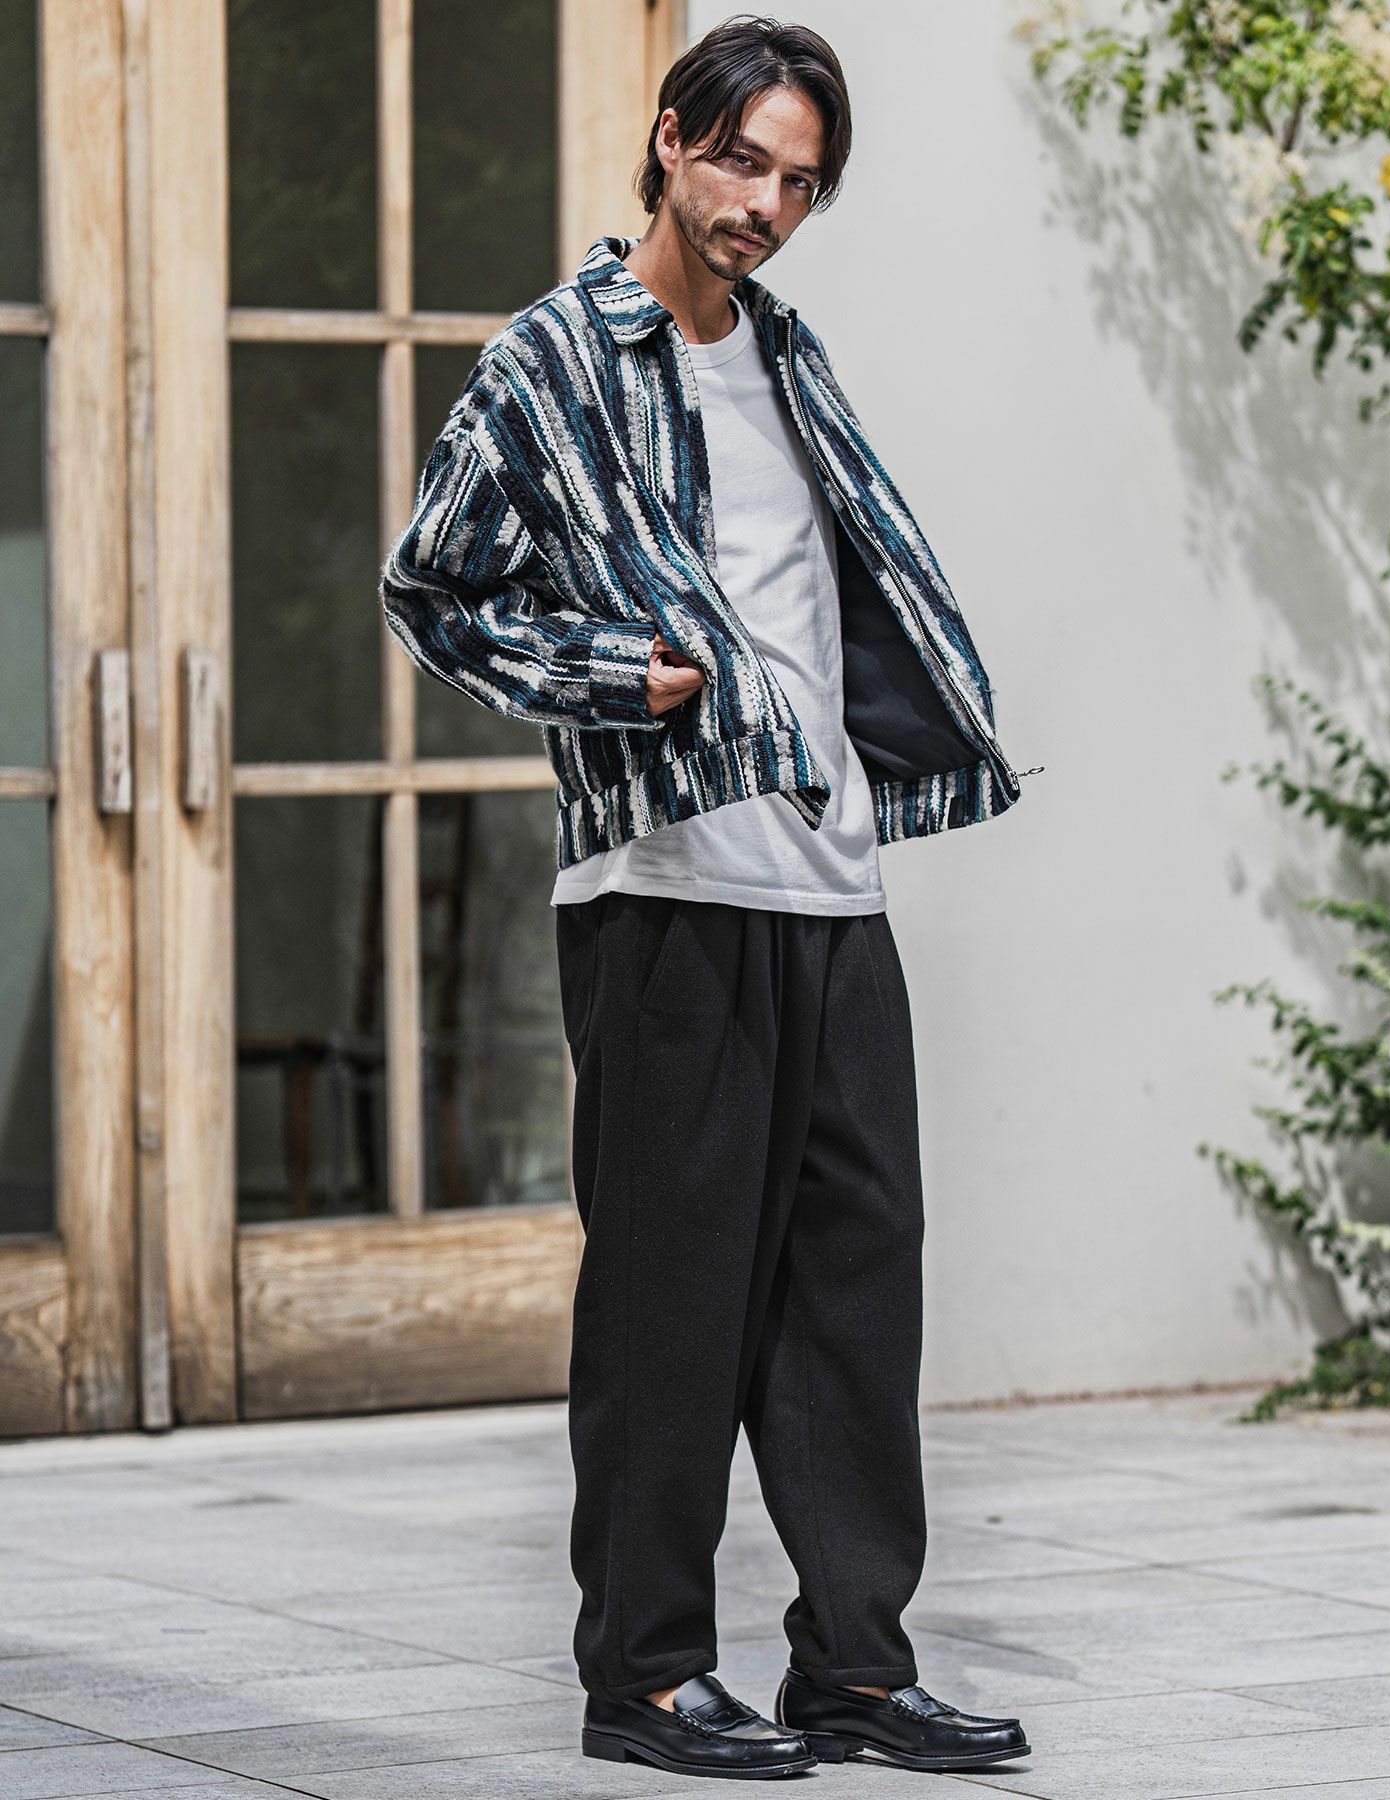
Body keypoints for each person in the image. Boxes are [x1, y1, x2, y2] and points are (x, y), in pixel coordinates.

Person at [380, 12, 1037, 1780]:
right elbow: (434, 589)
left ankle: (855, 1669)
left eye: (800, 184)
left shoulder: (791, 356)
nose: (764, 206)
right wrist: (612, 676)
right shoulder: (553, 360)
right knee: (671, 1304)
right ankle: (648, 1674)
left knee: (855, 1295)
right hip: (666, 887)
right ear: (671, 137)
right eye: (743, 160)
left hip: (833, 886)